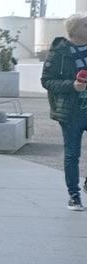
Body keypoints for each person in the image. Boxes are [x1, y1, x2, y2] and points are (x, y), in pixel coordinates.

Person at [41, 13, 87, 211]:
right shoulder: (58, 52)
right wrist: (72, 85)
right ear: (75, 30)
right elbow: (46, 81)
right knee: (72, 154)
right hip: (71, 111)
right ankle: (74, 196)